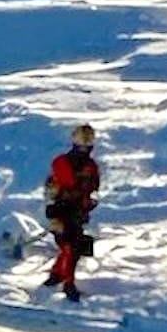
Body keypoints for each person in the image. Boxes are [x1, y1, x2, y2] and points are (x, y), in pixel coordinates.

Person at [43, 123, 100, 301]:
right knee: (71, 248)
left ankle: (57, 274)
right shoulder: (62, 162)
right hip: (61, 210)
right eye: (82, 144)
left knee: (72, 247)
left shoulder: (91, 166)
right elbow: (56, 188)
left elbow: (93, 188)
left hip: (78, 211)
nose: (85, 148)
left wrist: (89, 202)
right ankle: (68, 283)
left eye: (88, 144)